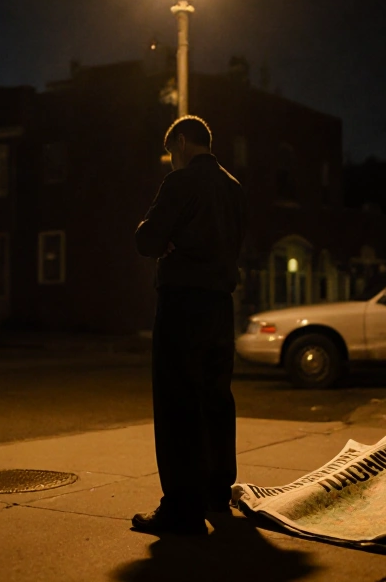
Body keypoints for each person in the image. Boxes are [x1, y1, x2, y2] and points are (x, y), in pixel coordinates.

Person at [132, 115, 246, 536]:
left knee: (177, 401)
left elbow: (147, 240)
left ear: (180, 142)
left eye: (170, 153)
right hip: (220, 305)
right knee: (216, 397)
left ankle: (182, 508)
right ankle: (217, 491)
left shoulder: (180, 184)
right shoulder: (234, 189)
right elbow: (234, 245)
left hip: (182, 303)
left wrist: (164, 238)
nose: (170, 161)